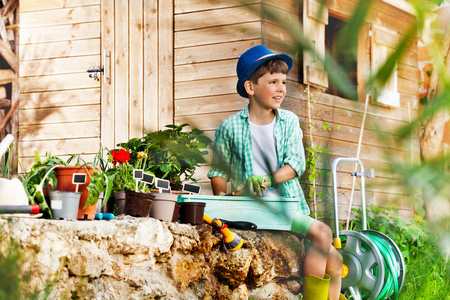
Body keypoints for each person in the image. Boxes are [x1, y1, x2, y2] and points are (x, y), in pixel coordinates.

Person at [208, 45, 346, 300]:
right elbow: (219, 172)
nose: (281, 88)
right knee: (324, 233)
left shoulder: (289, 122)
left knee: (335, 259)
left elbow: (295, 165)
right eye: (272, 81)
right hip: (253, 210)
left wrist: (267, 179)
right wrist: (225, 202)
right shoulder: (229, 128)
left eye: (283, 81)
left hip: (286, 209)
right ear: (250, 87)